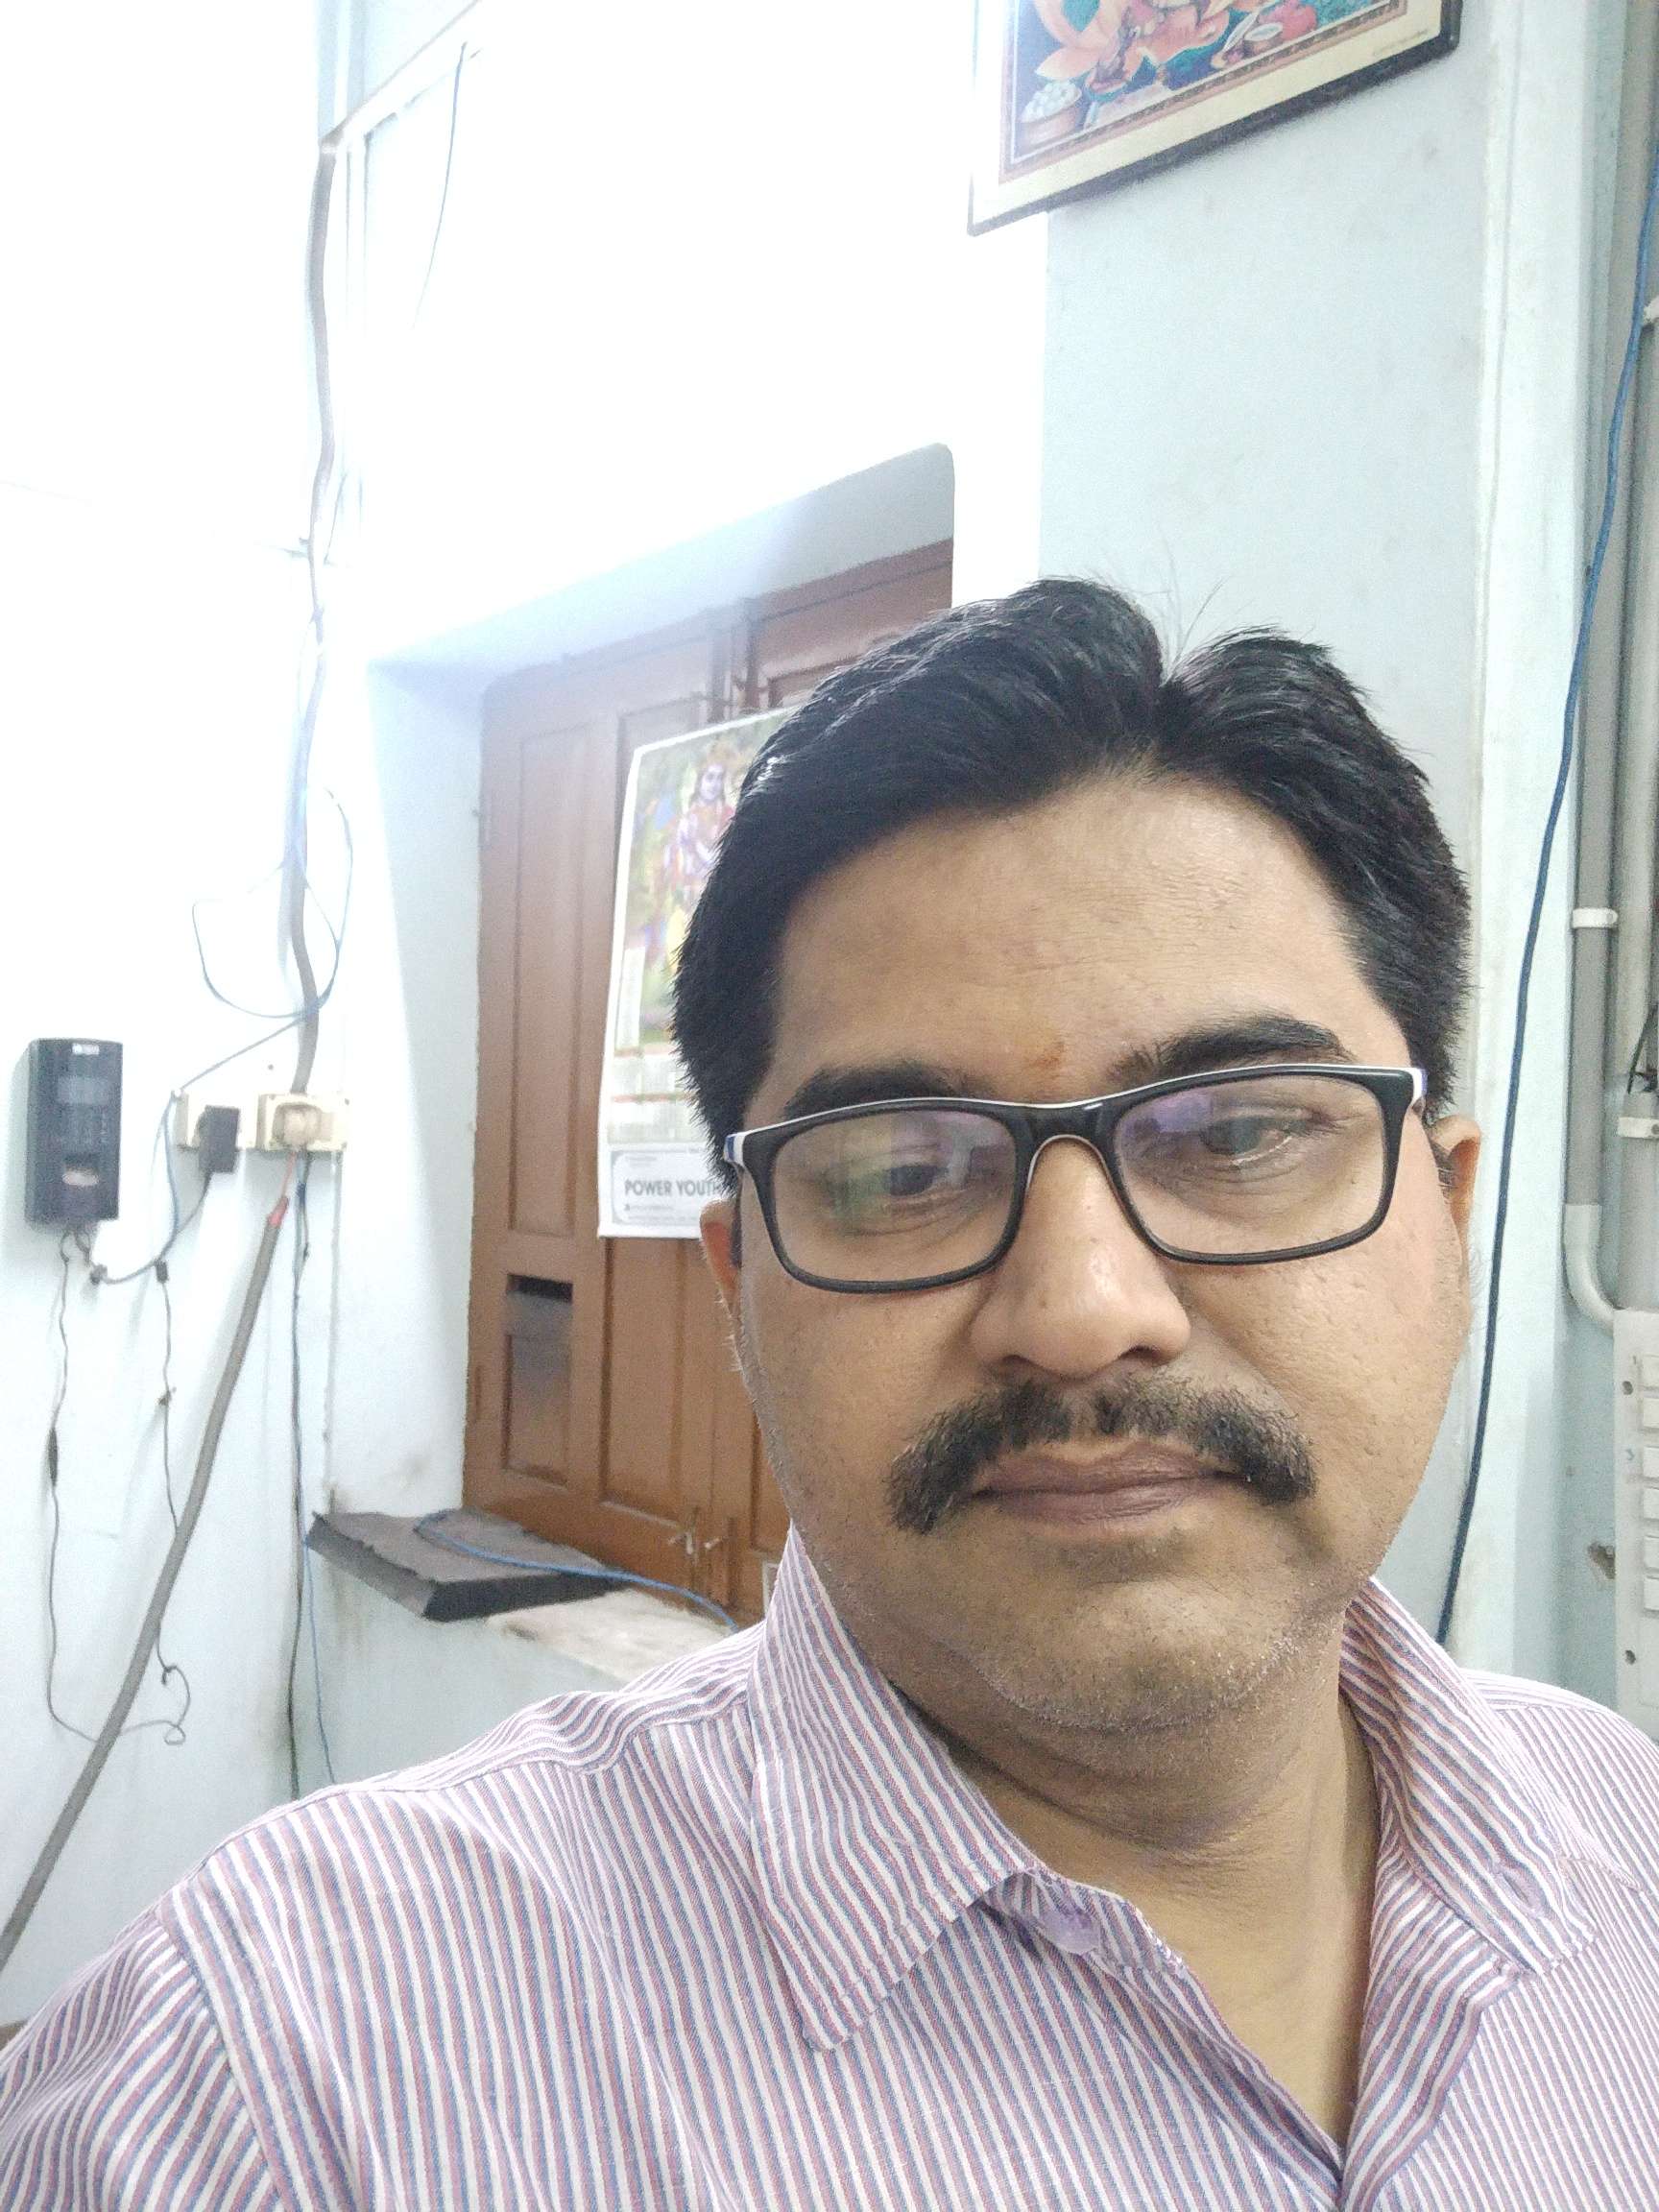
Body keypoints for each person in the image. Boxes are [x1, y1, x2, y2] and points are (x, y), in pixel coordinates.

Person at [5, 579, 1659, 2208]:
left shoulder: (1625, 1841)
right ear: (742, 1287)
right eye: (901, 1172)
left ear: (1445, 1209)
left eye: (1235, 1135)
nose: (1082, 1312)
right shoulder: (275, 2084)